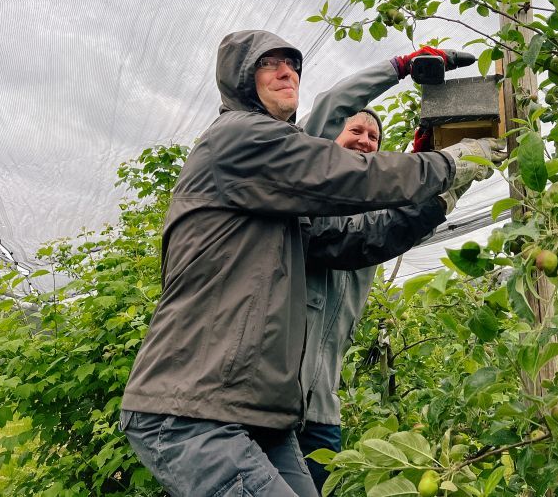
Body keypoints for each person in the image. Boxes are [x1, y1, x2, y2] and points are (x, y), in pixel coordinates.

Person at [120, 30, 504, 497]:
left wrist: (443, 189)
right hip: (192, 408)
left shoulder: (283, 202)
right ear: (241, 80)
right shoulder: (242, 137)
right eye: (269, 64)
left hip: (260, 411)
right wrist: (442, 157)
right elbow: (341, 161)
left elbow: (359, 239)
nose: (287, 72)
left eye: (292, 63)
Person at [295, 49, 469, 491]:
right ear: (331, 136)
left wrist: (450, 169)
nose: (366, 140)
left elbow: (409, 220)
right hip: (272, 399)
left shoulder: (375, 205)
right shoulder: (305, 176)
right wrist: (398, 67)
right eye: (356, 129)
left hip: (322, 407)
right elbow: (332, 102)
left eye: (374, 136)